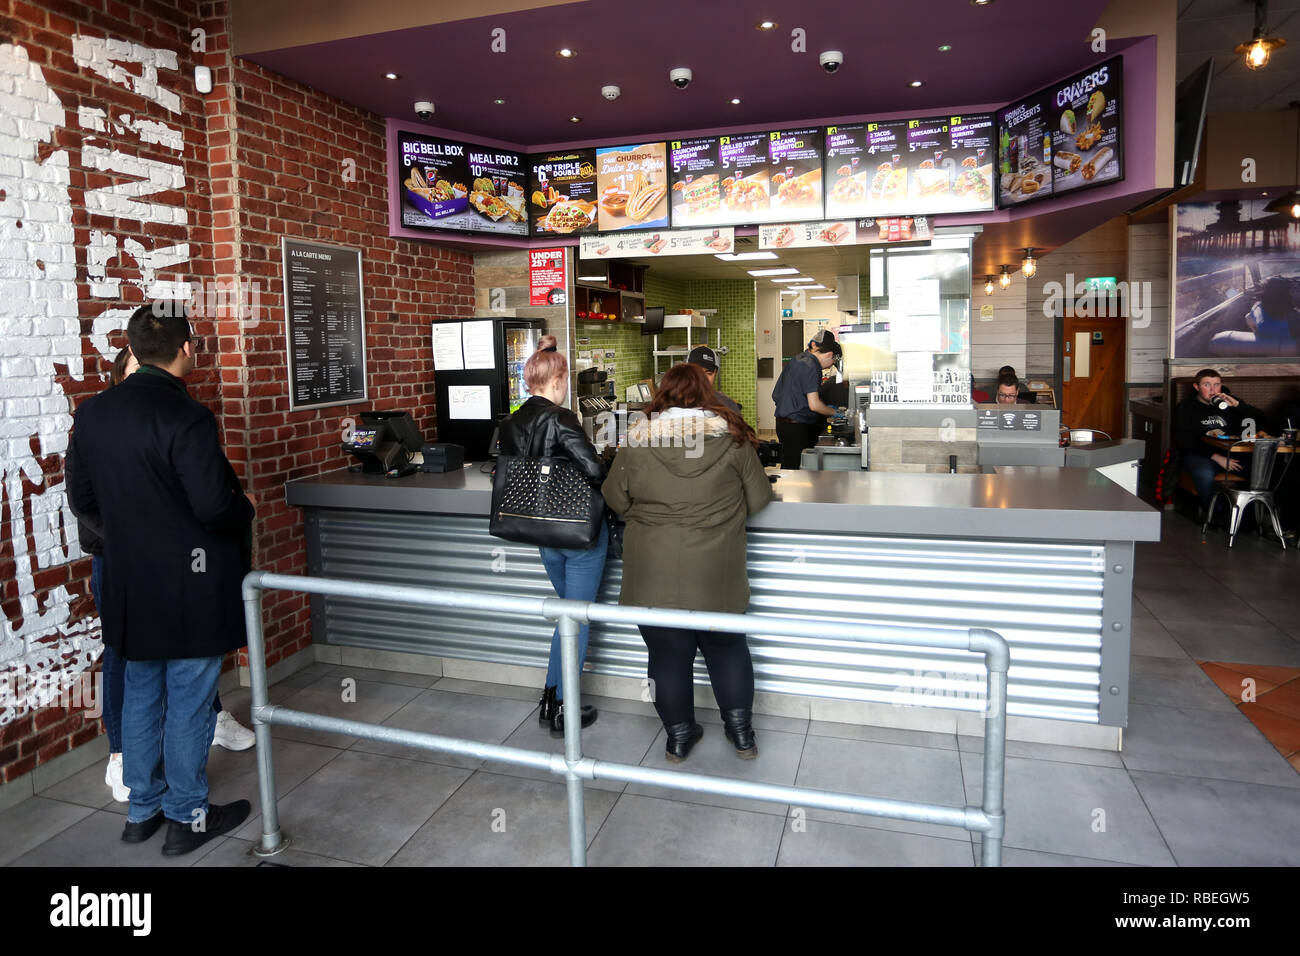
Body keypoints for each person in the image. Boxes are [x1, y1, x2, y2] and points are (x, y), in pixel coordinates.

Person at [69, 303, 253, 856]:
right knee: (192, 699)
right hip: (191, 584)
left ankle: (142, 810)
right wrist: (239, 507)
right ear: (186, 349)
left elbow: (82, 500)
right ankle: (188, 816)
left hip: (128, 581)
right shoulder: (188, 417)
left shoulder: (94, 414)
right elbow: (210, 504)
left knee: (143, 695)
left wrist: (130, 538)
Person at [603, 363, 774, 762]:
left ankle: (679, 736)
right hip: (717, 571)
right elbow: (759, 499)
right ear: (707, 395)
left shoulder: (637, 442)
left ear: (664, 396)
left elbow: (615, 498)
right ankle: (741, 734)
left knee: (666, 654)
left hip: (652, 570)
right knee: (728, 647)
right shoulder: (732, 440)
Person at [498, 335, 607, 737]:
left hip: (541, 532)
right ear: (557, 379)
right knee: (575, 619)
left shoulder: (511, 422)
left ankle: (549, 698)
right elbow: (594, 471)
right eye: (565, 379)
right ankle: (565, 708)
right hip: (576, 534)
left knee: (565, 615)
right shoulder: (561, 419)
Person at [1173, 368, 1268, 512]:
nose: (1213, 389)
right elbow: (1184, 440)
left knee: (1263, 470)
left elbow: (1263, 419)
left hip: (1232, 453)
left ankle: (1247, 516)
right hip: (1200, 454)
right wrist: (1217, 457)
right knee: (1203, 474)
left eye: (1216, 384)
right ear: (1196, 387)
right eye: (1207, 385)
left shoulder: (1230, 404)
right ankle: (1215, 514)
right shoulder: (1186, 407)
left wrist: (1237, 405)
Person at [771, 329, 841, 469]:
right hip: (796, 427)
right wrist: (833, 412)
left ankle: (786, 490)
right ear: (829, 355)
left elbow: (776, 394)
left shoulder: (797, 359)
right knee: (796, 469)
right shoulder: (812, 365)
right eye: (832, 363)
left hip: (783, 424)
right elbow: (814, 405)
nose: (829, 367)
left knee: (789, 464)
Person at [1210, 276, 1300, 357]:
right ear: (1286, 296)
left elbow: (1248, 317)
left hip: (1264, 350)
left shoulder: (1257, 307)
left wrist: (1258, 331)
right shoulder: (1295, 320)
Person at [686, 344, 741, 415]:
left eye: (708, 373)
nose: (703, 378)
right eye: (697, 372)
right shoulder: (675, 404)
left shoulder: (728, 405)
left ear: (715, 373)